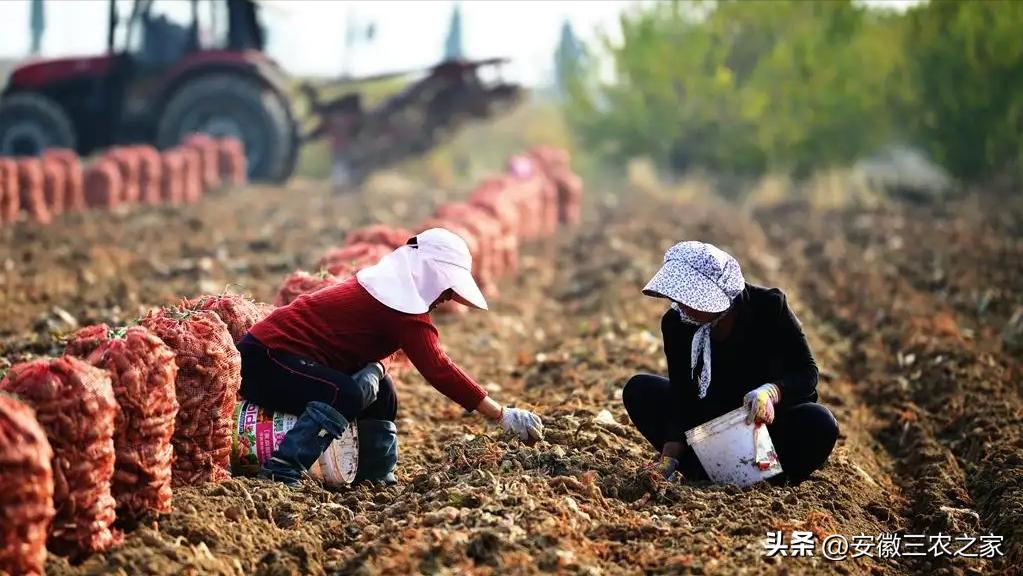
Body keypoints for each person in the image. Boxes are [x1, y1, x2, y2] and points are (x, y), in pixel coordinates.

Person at [238, 228, 543, 485]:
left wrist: (376, 369)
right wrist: (500, 414)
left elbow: (384, 350)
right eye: (447, 289)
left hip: (290, 361)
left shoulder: (390, 291)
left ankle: (376, 476)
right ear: (431, 276)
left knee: (382, 391)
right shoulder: (402, 310)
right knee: (343, 393)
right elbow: (438, 368)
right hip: (265, 360)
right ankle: (283, 468)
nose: (447, 298)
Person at [622, 241, 839, 483]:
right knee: (639, 389)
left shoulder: (769, 307)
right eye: (680, 297)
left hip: (765, 423)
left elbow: (806, 372)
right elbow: (682, 396)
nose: (683, 306)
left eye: (692, 298)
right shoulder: (677, 323)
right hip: (710, 424)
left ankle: (771, 481)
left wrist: (771, 393)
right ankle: (701, 471)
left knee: (819, 421)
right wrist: (668, 459)